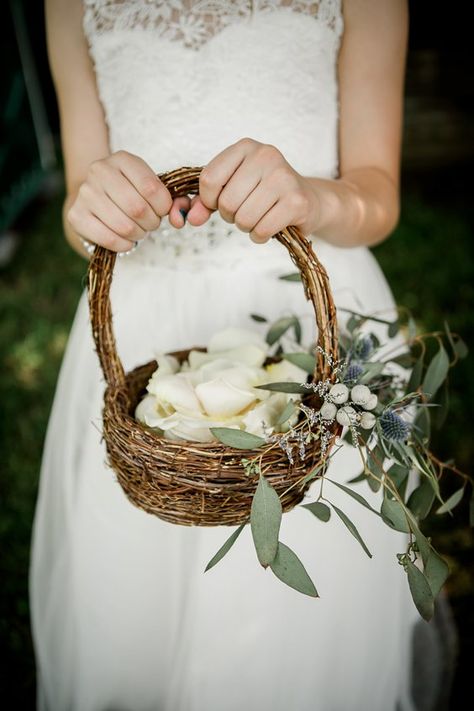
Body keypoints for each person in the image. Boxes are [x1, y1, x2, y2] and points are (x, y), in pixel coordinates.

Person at [30, 1, 423, 709]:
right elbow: (81, 205)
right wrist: (88, 209)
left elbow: (378, 191)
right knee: (134, 592)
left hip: (304, 315)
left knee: (296, 625)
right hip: (145, 325)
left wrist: (310, 196)